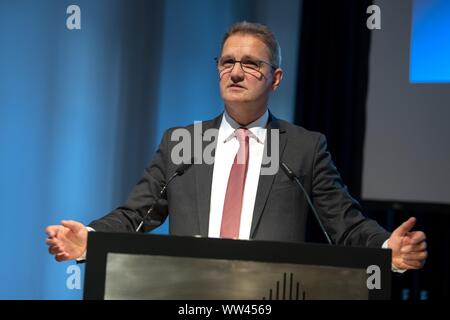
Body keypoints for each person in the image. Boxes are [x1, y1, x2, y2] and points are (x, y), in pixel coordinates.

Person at [45, 22, 427, 271]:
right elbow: (135, 217)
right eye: (227, 62)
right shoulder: (185, 142)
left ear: (275, 78)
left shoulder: (303, 148)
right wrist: (89, 241)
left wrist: (384, 247)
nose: (236, 72)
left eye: (250, 63)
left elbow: (343, 223)